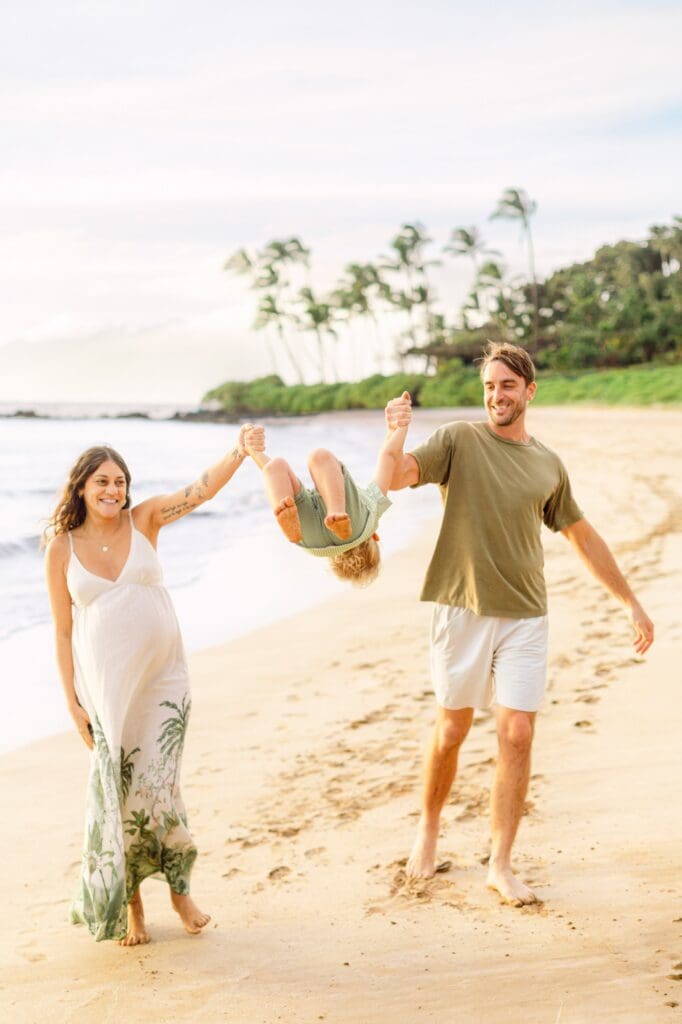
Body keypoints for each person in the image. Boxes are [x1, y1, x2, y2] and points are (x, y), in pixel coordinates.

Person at [384, 343, 654, 906]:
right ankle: (428, 829)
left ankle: (500, 863)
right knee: (453, 730)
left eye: (507, 385)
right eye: (488, 386)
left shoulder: (547, 464)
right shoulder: (460, 440)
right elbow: (393, 478)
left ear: (529, 391)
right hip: (461, 608)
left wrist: (629, 600)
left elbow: (581, 535)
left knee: (518, 733)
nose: (495, 396)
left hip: (527, 613)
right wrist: (396, 431)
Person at [44, 425, 264, 944]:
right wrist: (72, 703)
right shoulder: (61, 548)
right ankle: (134, 907)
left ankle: (181, 892)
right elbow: (62, 628)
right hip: (107, 689)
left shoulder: (143, 520)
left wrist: (238, 450)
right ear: (81, 487)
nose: (112, 491)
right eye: (101, 481)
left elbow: (200, 490)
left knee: (159, 785)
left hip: (164, 681)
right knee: (120, 794)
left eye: (120, 481)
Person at [244, 401, 411, 585]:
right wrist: (255, 453)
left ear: (375, 536)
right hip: (310, 541)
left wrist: (400, 428)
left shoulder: (371, 517)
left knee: (320, 457)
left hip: (352, 527)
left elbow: (389, 455)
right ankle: (282, 504)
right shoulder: (323, 546)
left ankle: (336, 511)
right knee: (275, 467)